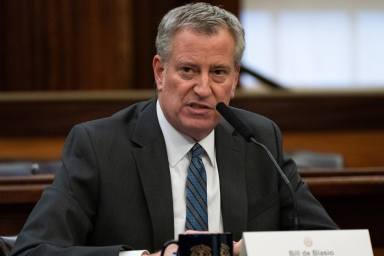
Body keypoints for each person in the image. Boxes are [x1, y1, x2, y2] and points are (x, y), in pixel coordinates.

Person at [11, 2, 337, 256]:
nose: (203, 88)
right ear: (160, 72)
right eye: (188, 70)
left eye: (219, 72)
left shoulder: (260, 140)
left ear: (235, 80)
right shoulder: (99, 146)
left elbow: (329, 245)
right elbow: (33, 249)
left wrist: (245, 250)